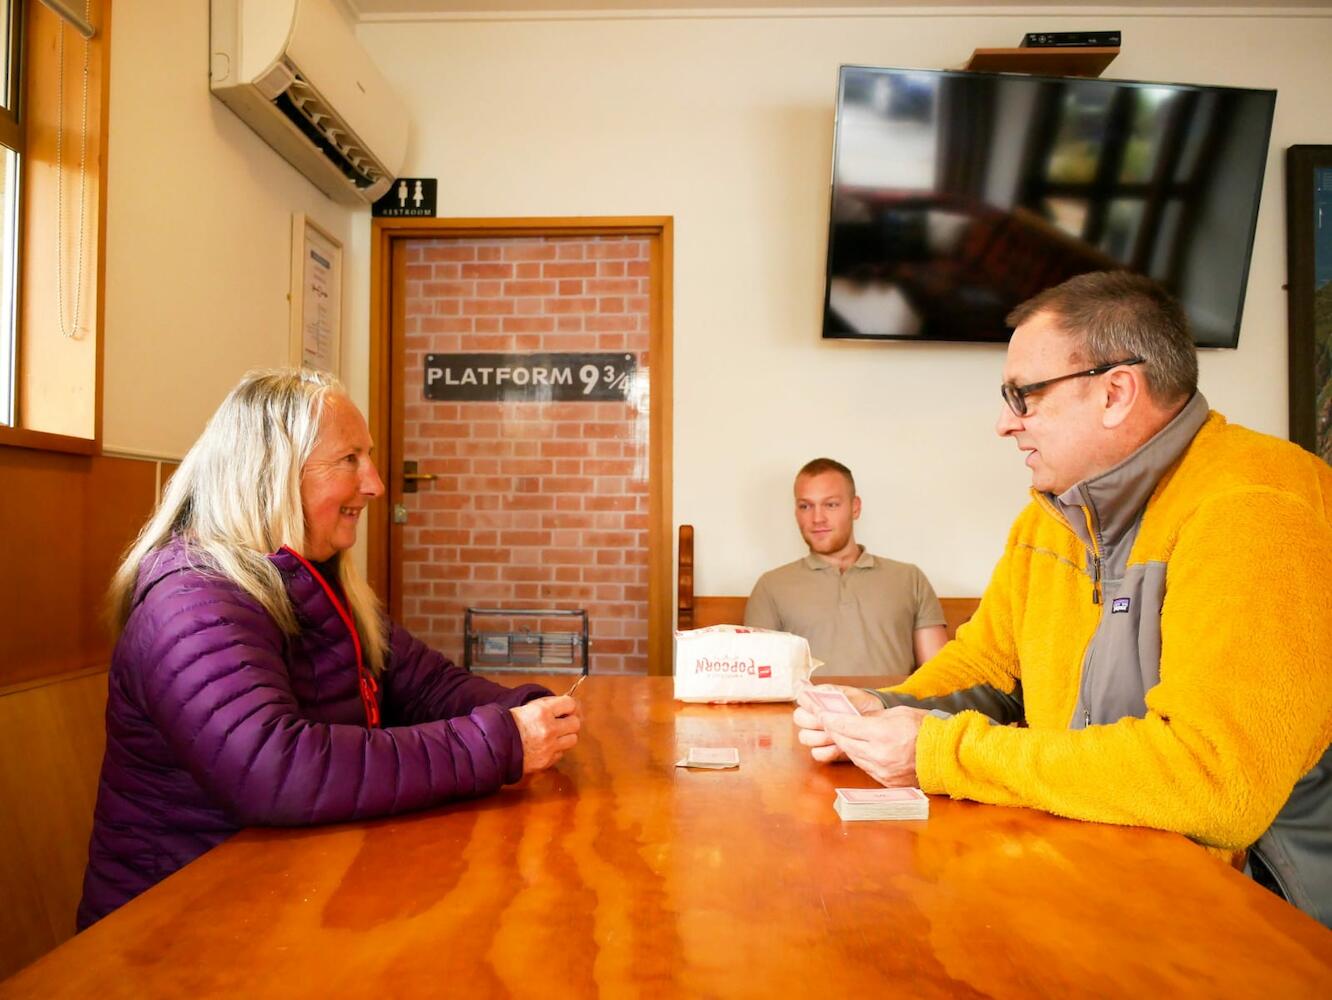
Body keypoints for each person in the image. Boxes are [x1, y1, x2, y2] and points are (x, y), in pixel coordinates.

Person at [794, 272, 1332, 927]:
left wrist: (937, 753)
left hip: (1257, 921)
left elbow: (1218, 781)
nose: (1003, 424)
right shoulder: (1047, 517)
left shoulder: (1255, 504)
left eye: (1023, 396)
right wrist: (879, 711)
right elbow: (987, 669)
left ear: (1115, 391)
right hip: (1099, 881)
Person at [77, 369, 581, 928]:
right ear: (273, 472)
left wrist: (527, 709)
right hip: (177, 931)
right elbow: (276, 768)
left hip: (290, 897)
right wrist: (501, 743)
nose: (375, 484)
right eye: (350, 460)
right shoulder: (192, 600)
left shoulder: (315, 578)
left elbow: (426, 684)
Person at [744, 458, 948, 676]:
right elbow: (758, 681)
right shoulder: (771, 586)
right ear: (796, 512)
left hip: (892, 709)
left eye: (830, 504)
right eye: (806, 506)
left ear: (855, 508)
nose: (817, 518)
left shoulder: (909, 578)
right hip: (806, 710)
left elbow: (938, 678)